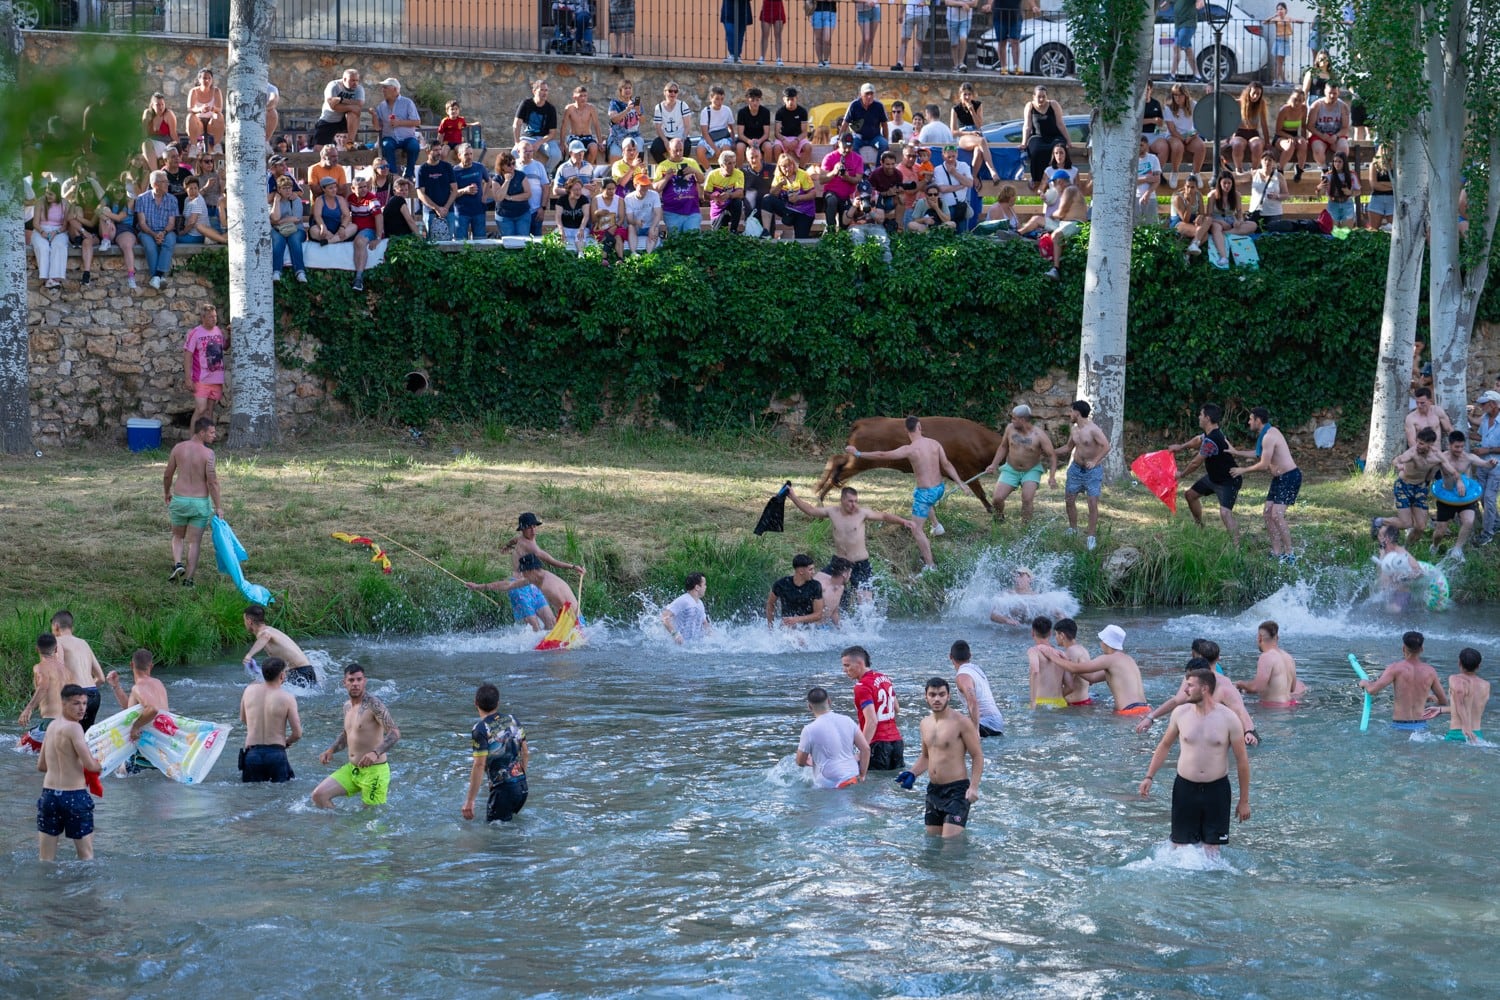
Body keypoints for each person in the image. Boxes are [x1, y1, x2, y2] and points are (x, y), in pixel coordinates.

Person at [1138, 667, 1251, 859]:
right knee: (1179, 849)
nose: (1185, 690)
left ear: (1205, 688)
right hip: (1185, 788)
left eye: (1190, 686)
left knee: (1212, 853)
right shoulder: (1180, 713)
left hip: (1217, 791)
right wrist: (1149, 776)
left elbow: (1242, 761)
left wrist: (1244, 801)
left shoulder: (1229, 719)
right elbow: (1164, 745)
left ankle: (1209, 889)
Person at [845, 416, 963, 556]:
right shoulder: (935, 444)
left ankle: (930, 566)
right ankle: (936, 525)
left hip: (926, 494)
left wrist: (858, 453)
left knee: (916, 529)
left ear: (906, 430)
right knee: (920, 495)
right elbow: (947, 464)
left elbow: (883, 455)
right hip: (939, 489)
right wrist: (960, 482)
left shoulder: (910, 449)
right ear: (919, 427)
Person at [787, 484, 928, 595]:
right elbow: (810, 510)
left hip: (860, 563)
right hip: (839, 562)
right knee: (817, 584)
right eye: (850, 501)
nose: (854, 505)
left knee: (865, 601)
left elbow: (884, 516)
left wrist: (903, 521)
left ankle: (865, 629)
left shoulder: (862, 513)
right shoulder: (832, 512)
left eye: (856, 501)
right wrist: (793, 496)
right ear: (842, 500)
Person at [896, 677, 983, 838]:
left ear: (948, 696)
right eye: (933, 694)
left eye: (942, 694)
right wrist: (912, 773)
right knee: (933, 844)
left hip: (957, 791)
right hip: (934, 791)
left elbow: (977, 755)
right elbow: (926, 756)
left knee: (949, 847)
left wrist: (974, 787)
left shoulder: (961, 722)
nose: (937, 699)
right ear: (926, 697)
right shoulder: (925, 723)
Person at [313, 663, 400, 808]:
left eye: (359, 680)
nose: (355, 684)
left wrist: (375, 752)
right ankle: (339, 828)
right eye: (351, 680)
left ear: (364, 681)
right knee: (319, 796)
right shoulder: (347, 706)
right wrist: (331, 750)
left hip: (374, 772)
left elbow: (395, 733)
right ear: (344, 683)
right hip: (353, 769)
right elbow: (347, 733)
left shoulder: (374, 705)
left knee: (369, 820)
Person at [1137, 649, 1258, 747]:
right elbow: (1176, 701)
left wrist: (1249, 732)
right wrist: (1150, 717)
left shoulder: (1225, 688)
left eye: (1190, 683)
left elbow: (1241, 711)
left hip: (1241, 739)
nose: (1186, 688)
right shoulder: (1193, 680)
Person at [36, 684, 102, 861]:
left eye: (84, 703)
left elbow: (41, 766)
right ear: (63, 704)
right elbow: (90, 765)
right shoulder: (75, 728)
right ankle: (86, 889)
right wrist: (102, 764)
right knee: (86, 857)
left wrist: (64, 764)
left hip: (49, 796)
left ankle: (47, 889)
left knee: (45, 860)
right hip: (74, 797)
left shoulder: (51, 727)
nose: (82, 708)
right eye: (76, 703)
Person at [1228, 407, 1301, 563]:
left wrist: (1243, 470)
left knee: (1276, 514)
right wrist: (1236, 452)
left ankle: (1290, 554)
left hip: (1290, 477)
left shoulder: (1269, 436)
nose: (1248, 422)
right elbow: (1258, 453)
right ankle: (1276, 552)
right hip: (1279, 479)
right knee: (1267, 513)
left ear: (1258, 420)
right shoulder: (1266, 434)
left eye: (1250, 419)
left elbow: (1263, 464)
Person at [1375, 427, 1460, 547]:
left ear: (1430, 444)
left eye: (1421, 443)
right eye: (1417, 442)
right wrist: (1399, 465)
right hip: (1403, 486)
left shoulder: (1437, 456)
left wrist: (1459, 480)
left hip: (1420, 488)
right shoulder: (1412, 452)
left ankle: (1406, 549)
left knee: (1420, 527)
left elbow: (1451, 470)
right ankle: (1378, 521)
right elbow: (1397, 459)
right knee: (1406, 523)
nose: (1418, 445)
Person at [1038, 624, 1149, 715]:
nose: (1101, 643)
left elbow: (1074, 668)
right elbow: (1092, 678)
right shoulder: (1127, 660)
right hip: (1145, 709)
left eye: (1101, 640)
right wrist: (1068, 660)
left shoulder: (1109, 659)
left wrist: (1051, 656)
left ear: (1105, 642)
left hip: (1128, 712)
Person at [1171, 403, 1242, 544]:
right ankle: (1200, 527)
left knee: (1225, 513)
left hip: (1229, 480)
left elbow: (1195, 463)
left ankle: (1237, 548)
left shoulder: (1213, 440)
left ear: (1207, 418)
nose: (1198, 417)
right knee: (1190, 495)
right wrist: (1181, 447)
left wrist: (1182, 474)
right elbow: (1198, 439)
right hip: (1213, 478)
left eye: (1201, 415)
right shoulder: (1211, 434)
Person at [163, 417, 221, 588]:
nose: (214, 436)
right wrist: (219, 506)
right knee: (194, 542)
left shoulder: (178, 448)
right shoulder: (208, 454)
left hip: (179, 500)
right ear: (201, 432)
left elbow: (167, 474)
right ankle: (189, 580)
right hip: (199, 503)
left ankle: (178, 563)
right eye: (211, 432)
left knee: (177, 536)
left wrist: (167, 492)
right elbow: (212, 482)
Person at [463, 683, 529, 822]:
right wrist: (520, 778)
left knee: (496, 840)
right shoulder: (513, 720)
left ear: (476, 703)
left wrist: (470, 801)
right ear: (498, 703)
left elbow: (479, 765)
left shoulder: (480, 729)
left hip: (504, 790)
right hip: (523, 787)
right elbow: (525, 752)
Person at [1359, 631, 1447, 731]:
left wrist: (1364, 683)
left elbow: (1372, 690)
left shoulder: (1395, 668)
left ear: (1403, 648)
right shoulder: (1430, 671)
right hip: (1421, 727)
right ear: (1422, 649)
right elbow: (1443, 702)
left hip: (1399, 726)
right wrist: (1429, 698)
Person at [985, 403, 1058, 523]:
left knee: (1027, 499)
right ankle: (999, 518)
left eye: (1014, 418)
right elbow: (1003, 447)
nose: (1011, 420)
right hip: (1011, 469)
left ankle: (1025, 527)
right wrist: (993, 464)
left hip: (1031, 470)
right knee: (997, 499)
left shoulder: (1039, 435)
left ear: (1022, 420)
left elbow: (1052, 456)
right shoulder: (1010, 428)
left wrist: (1052, 477)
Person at [1430, 431, 1494, 560]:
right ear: (1449, 445)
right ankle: (1435, 546)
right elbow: (1430, 472)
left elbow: (1484, 464)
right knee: (1440, 531)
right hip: (1446, 497)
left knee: (1469, 521)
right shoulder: (1443, 458)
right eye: (1456, 447)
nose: (1460, 450)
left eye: (1462, 446)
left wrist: (1491, 463)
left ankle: (1457, 550)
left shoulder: (1468, 457)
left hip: (1464, 496)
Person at [103, 648, 169, 773]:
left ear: (131, 664)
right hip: (163, 747)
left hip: (146, 747)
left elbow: (152, 709)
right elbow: (130, 711)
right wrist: (116, 687)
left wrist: (135, 726)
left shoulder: (138, 687)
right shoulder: (158, 683)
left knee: (120, 774)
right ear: (151, 666)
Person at [238, 657, 302, 783]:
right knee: (281, 796)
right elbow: (297, 733)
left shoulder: (249, 691)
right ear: (282, 675)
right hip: (276, 754)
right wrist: (286, 742)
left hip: (252, 754)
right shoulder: (287, 698)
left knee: (252, 797)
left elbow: (243, 718)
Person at [1057, 400, 1110, 549]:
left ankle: (1091, 536)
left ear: (1077, 413)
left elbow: (1106, 446)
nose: (1069, 414)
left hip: (1092, 472)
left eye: (1071, 411)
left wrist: (1094, 461)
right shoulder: (1074, 429)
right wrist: (1049, 452)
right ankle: (1073, 529)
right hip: (1075, 470)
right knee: (1069, 500)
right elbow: (1068, 448)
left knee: (1092, 503)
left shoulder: (1093, 429)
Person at [839, 646, 902, 769]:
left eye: (847, 666)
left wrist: (862, 750)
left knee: (871, 785)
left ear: (860, 663)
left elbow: (872, 721)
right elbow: (896, 708)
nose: (844, 670)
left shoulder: (861, 686)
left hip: (878, 745)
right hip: (897, 743)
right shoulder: (884, 678)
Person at [796, 685, 869, 789]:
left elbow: (800, 762)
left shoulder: (809, 730)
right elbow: (866, 749)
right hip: (852, 776)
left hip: (830, 783)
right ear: (829, 701)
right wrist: (862, 775)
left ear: (810, 707)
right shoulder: (848, 720)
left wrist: (807, 761)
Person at [50, 610, 107, 731]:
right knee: (84, 737)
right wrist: (85, 693)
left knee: (64, 736)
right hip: (94, 695)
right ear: (72, 627)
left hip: (75, 697)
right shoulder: (84, 643)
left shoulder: (57, 641)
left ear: (56, 626)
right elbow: (101, 678)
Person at [243, 604, 318, 688]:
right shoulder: (270, 629)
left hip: (300, 673)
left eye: (244, 620)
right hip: (303, 671)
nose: (245, 623)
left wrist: (249, 655)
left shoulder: (264, 633)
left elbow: (266, 636)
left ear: (249, 621)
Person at [18, 634, 70, 752]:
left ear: (37, 649)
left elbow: (43, 687)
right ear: (56, 649)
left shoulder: (40, 667)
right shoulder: (65, 669)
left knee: (18, 748)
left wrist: (29, 708)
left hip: (50, 723)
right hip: (67, 722)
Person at [1426, 648, 1489, 743]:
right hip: (1477, 735)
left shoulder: (1455, 679)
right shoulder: (1486, 685)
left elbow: (1460, 701)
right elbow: (1470, 708)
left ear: (1459, 662)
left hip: (1457, 734)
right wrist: (1441, 709)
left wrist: (1466, 726)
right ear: (1478, 666)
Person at [1235, 620, 1301, 707]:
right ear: (1277, 638)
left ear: (1259, 638)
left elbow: (1256, 687)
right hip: (1290, 705)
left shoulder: (1266, 656)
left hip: (1273, 709)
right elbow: (1292, 689)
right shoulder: (1288, 657)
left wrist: (1240, 684)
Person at [133, 169, 178, 289]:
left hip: (166, 231)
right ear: (155, 184)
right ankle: (160, 277)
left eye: (167, 182)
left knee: (169, 241)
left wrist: (163, 233)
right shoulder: (142, 199)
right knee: (150, 246)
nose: (168, 184)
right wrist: (154, 235)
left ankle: (156, 277)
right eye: (164, 182)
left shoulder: (172, 199)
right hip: (147, 231)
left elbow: (171, 223)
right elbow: (142, 223)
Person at [183, 304, 226, 429]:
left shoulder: (218, 331)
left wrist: (230, 335)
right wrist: (187, 378)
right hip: (201, 379)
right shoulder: (195, 333)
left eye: (215, 316)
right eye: (210, 317)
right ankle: (192, 441)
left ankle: (206, 441)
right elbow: (187, 356)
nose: (214, 319)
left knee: (209, 412)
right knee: (201, 409)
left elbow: (224, 348)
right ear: (203, 318)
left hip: (217, 378)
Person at [1020, 86, 1068, 194]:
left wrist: (1068, 141)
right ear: (1033, 97)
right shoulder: (1030, 106)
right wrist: (1023, 142)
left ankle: (1054, 178)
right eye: (1039, 97)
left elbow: (1060, 124)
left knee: (1057, 148)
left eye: (1043, 97)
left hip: (1054, 136)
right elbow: (1027, 126)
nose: (1041, 99)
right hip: (1037, 136)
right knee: (1036, 150)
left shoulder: (1053, 104)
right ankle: (1037, 179)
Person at [949, 640, 1003, 737]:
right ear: (970, 655)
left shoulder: (962, 676)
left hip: (986, 723)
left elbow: (972, 701)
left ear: (950, 657)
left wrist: (975, 729)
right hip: (997, 722)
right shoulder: (976, 670)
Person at [654, 138, 705, 237]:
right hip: (672, 212)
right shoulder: (662, 166)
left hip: (692, 211)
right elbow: (656, 188)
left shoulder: (691, 162)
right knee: (674, 242)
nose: (678, 153)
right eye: (675, 150)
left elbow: (702, 180)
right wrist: (666, 178)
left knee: (693, 240)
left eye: (681, 150)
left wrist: (694, 171)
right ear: (669, 150)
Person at [372, 77, 421, 179]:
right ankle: (393, 175)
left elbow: (417, 122)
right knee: (386, 145)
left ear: (394, 89)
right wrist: (374, 115)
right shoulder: (381, 106)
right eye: (382, 88)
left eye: (385, 87)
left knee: (414, 146)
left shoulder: (407, 103)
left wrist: (399, 123)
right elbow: (377, 127)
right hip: (390, 137)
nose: (383, 90)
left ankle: (409, 174)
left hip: (407, 138)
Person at [766, 554, 825, 628]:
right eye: (810, 569)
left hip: (808, 628)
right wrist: (770, 626)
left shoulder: (815, 586)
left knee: (800, 639)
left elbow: (818, 615)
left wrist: (797, 620)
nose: (813, 572)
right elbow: (770, 603)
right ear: (801, 571)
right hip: (786, 627)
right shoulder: (782, 584)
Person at [513, 78, 561, 165]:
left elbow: (552, 133)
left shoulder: (551, 109)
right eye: (542, 90)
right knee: (515, 152)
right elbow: (516, 124)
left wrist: (539, 143)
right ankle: (522, 173)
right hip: (527, 137)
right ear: (534, 91)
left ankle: (546, 173)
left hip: (544, 139)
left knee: (556, 155)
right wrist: (517, 143)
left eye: (546, 90)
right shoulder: (526, 104)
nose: (545, 93)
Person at [315, 68, 366, 147]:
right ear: (344, 79)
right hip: (329, 119)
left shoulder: (359, 89)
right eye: (352, 80)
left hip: (346, 120)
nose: (355, 83)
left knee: (353, 113)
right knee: (318, 148)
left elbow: (359, 104)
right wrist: (351, 106)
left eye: (357, 80)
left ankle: (350, 143)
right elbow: (332, 106)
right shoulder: (333, 86)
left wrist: (340, 100)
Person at [560, 84, 604, 165]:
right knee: (575, 148)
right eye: (581, 96)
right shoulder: (569, 109)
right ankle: (575, 169)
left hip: (587, 136)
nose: (583, 98)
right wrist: (562, 143)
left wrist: (600, 142)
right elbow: (564, 126)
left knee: (594, 148)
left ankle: (587, 169)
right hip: (574, 137)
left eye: (585, 96)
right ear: (575, 97)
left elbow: (596, 125)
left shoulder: (591, 108)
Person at [662, 573, 711, 643]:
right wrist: (675, 634)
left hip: (691, 646)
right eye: (704, 584)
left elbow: (705, 623)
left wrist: (712, 638)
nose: (706, 587)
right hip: (677, 646)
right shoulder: (683, 600)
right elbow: (664, 617)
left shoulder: (700, 603)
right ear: (697, 587)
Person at [1171, 0, 1206, 82]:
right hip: (1178, 26)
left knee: (1176, 47)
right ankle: (1198, 76)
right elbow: (1164, 7)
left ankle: (1171, 75)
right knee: (1188, 51)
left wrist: (1201, 2)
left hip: (1187, 25)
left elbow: (1201, 2)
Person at [892, 0, 931, 72]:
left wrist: (925, 2)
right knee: (904, 39)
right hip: (910, 13)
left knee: (919, 41)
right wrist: (900, 13)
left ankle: (916, 64)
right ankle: (900, 63)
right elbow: (904, 1)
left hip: (923, 14)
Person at [812, 559, 854, 625]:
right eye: (850, 573)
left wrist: (840, 629)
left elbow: (834, 612)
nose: (850, 576)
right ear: (845, 574)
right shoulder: (821, 587)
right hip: (810, 628)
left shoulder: (841, 588)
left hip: (822, 628)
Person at [757, 0, 786, 65]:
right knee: (765, 35)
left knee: (778, 36)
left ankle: (779, 58)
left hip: (778, 7)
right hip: (767, 6)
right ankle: (762, 57)